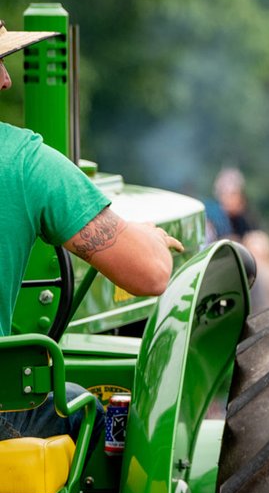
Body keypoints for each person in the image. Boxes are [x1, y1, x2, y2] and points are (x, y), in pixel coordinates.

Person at [0, 23, 182, 439]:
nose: (7, 81)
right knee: (89, 411)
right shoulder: (24, 162)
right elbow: (151, 273)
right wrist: (151, 240)